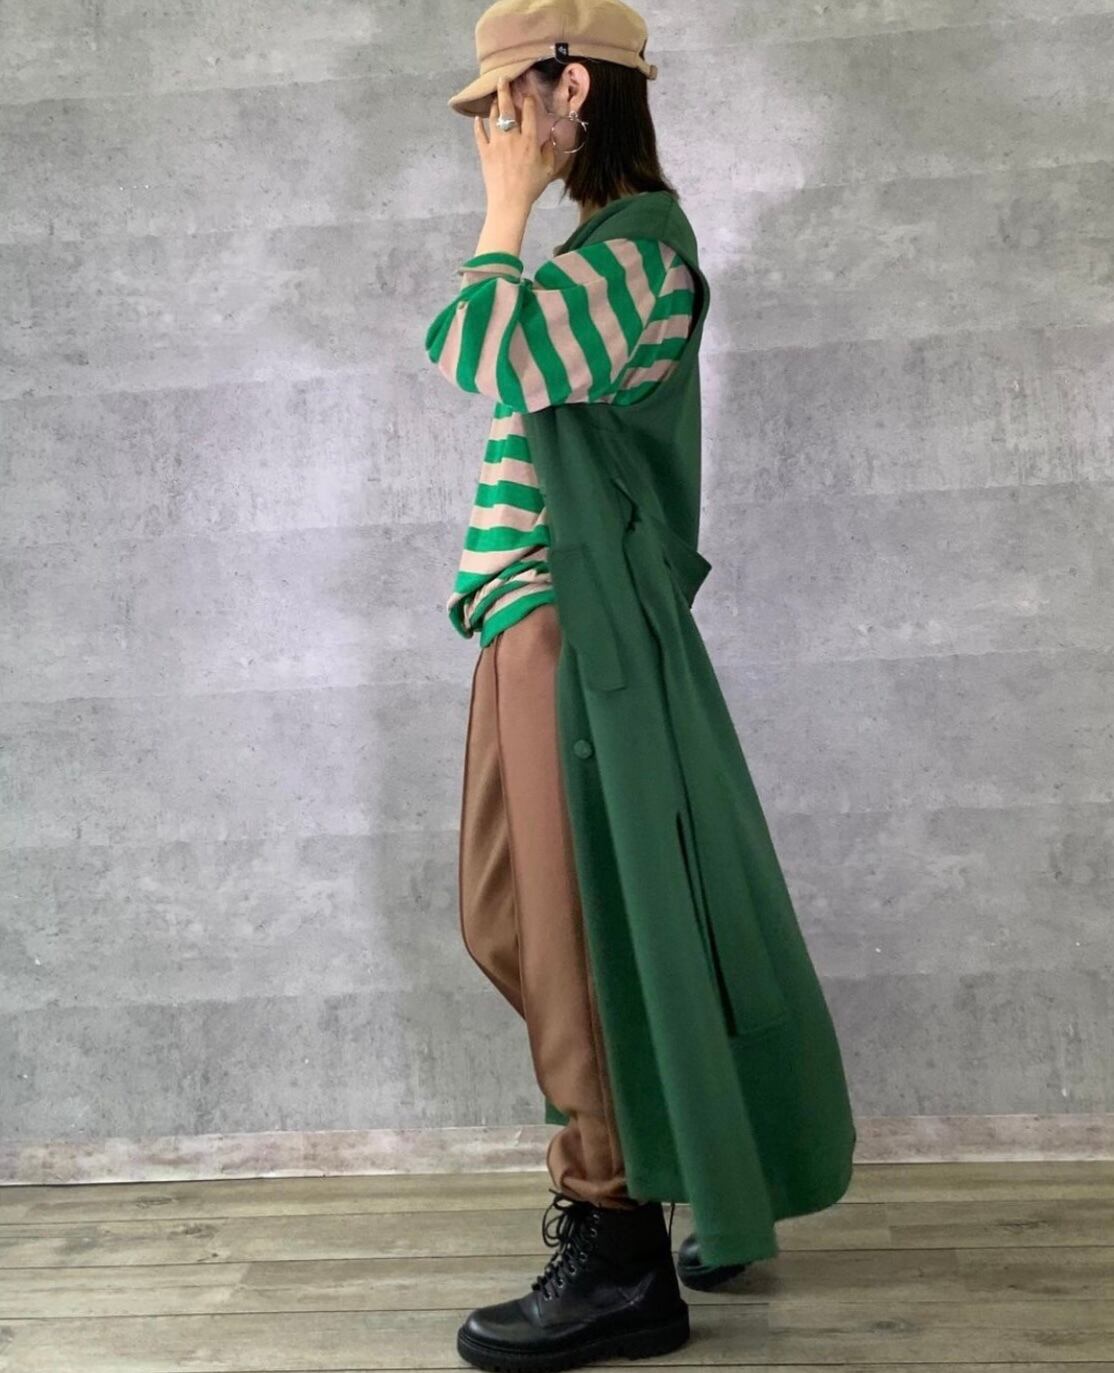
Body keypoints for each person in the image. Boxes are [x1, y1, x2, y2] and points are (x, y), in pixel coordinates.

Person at [424, 3, 697, 1369]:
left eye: (501, 102)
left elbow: (482, 346)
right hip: (527, 620)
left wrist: (501, 210)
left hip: (562, 625)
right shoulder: (603, 256)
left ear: (569, 89)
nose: (491, 128)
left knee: (568, 935)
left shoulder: (636, 253)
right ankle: (672, 1163)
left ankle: (617, 1246)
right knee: (512, 917)